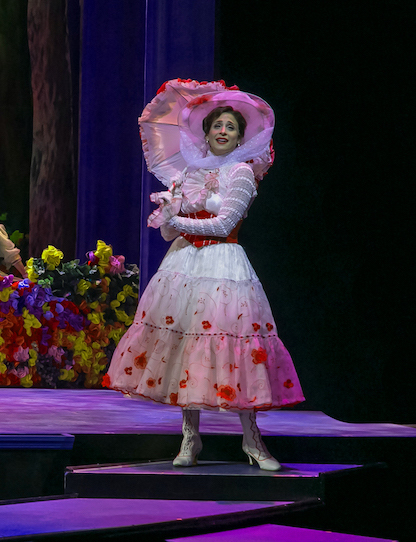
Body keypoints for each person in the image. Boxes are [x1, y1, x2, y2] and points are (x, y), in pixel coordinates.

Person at [106, 83, 303, 471]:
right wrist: (168, 214)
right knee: (184, 347)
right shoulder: (189, 172)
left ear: (240, 136)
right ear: (207, 131)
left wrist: (176, 219)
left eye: (231, 126)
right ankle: (190, 438)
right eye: (218, 125)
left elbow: (226, 221)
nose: (223, 131)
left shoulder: (241, 172)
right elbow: (167, 231)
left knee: (235, 346)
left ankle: (253, 440)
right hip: (182, 264)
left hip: (222, 264)